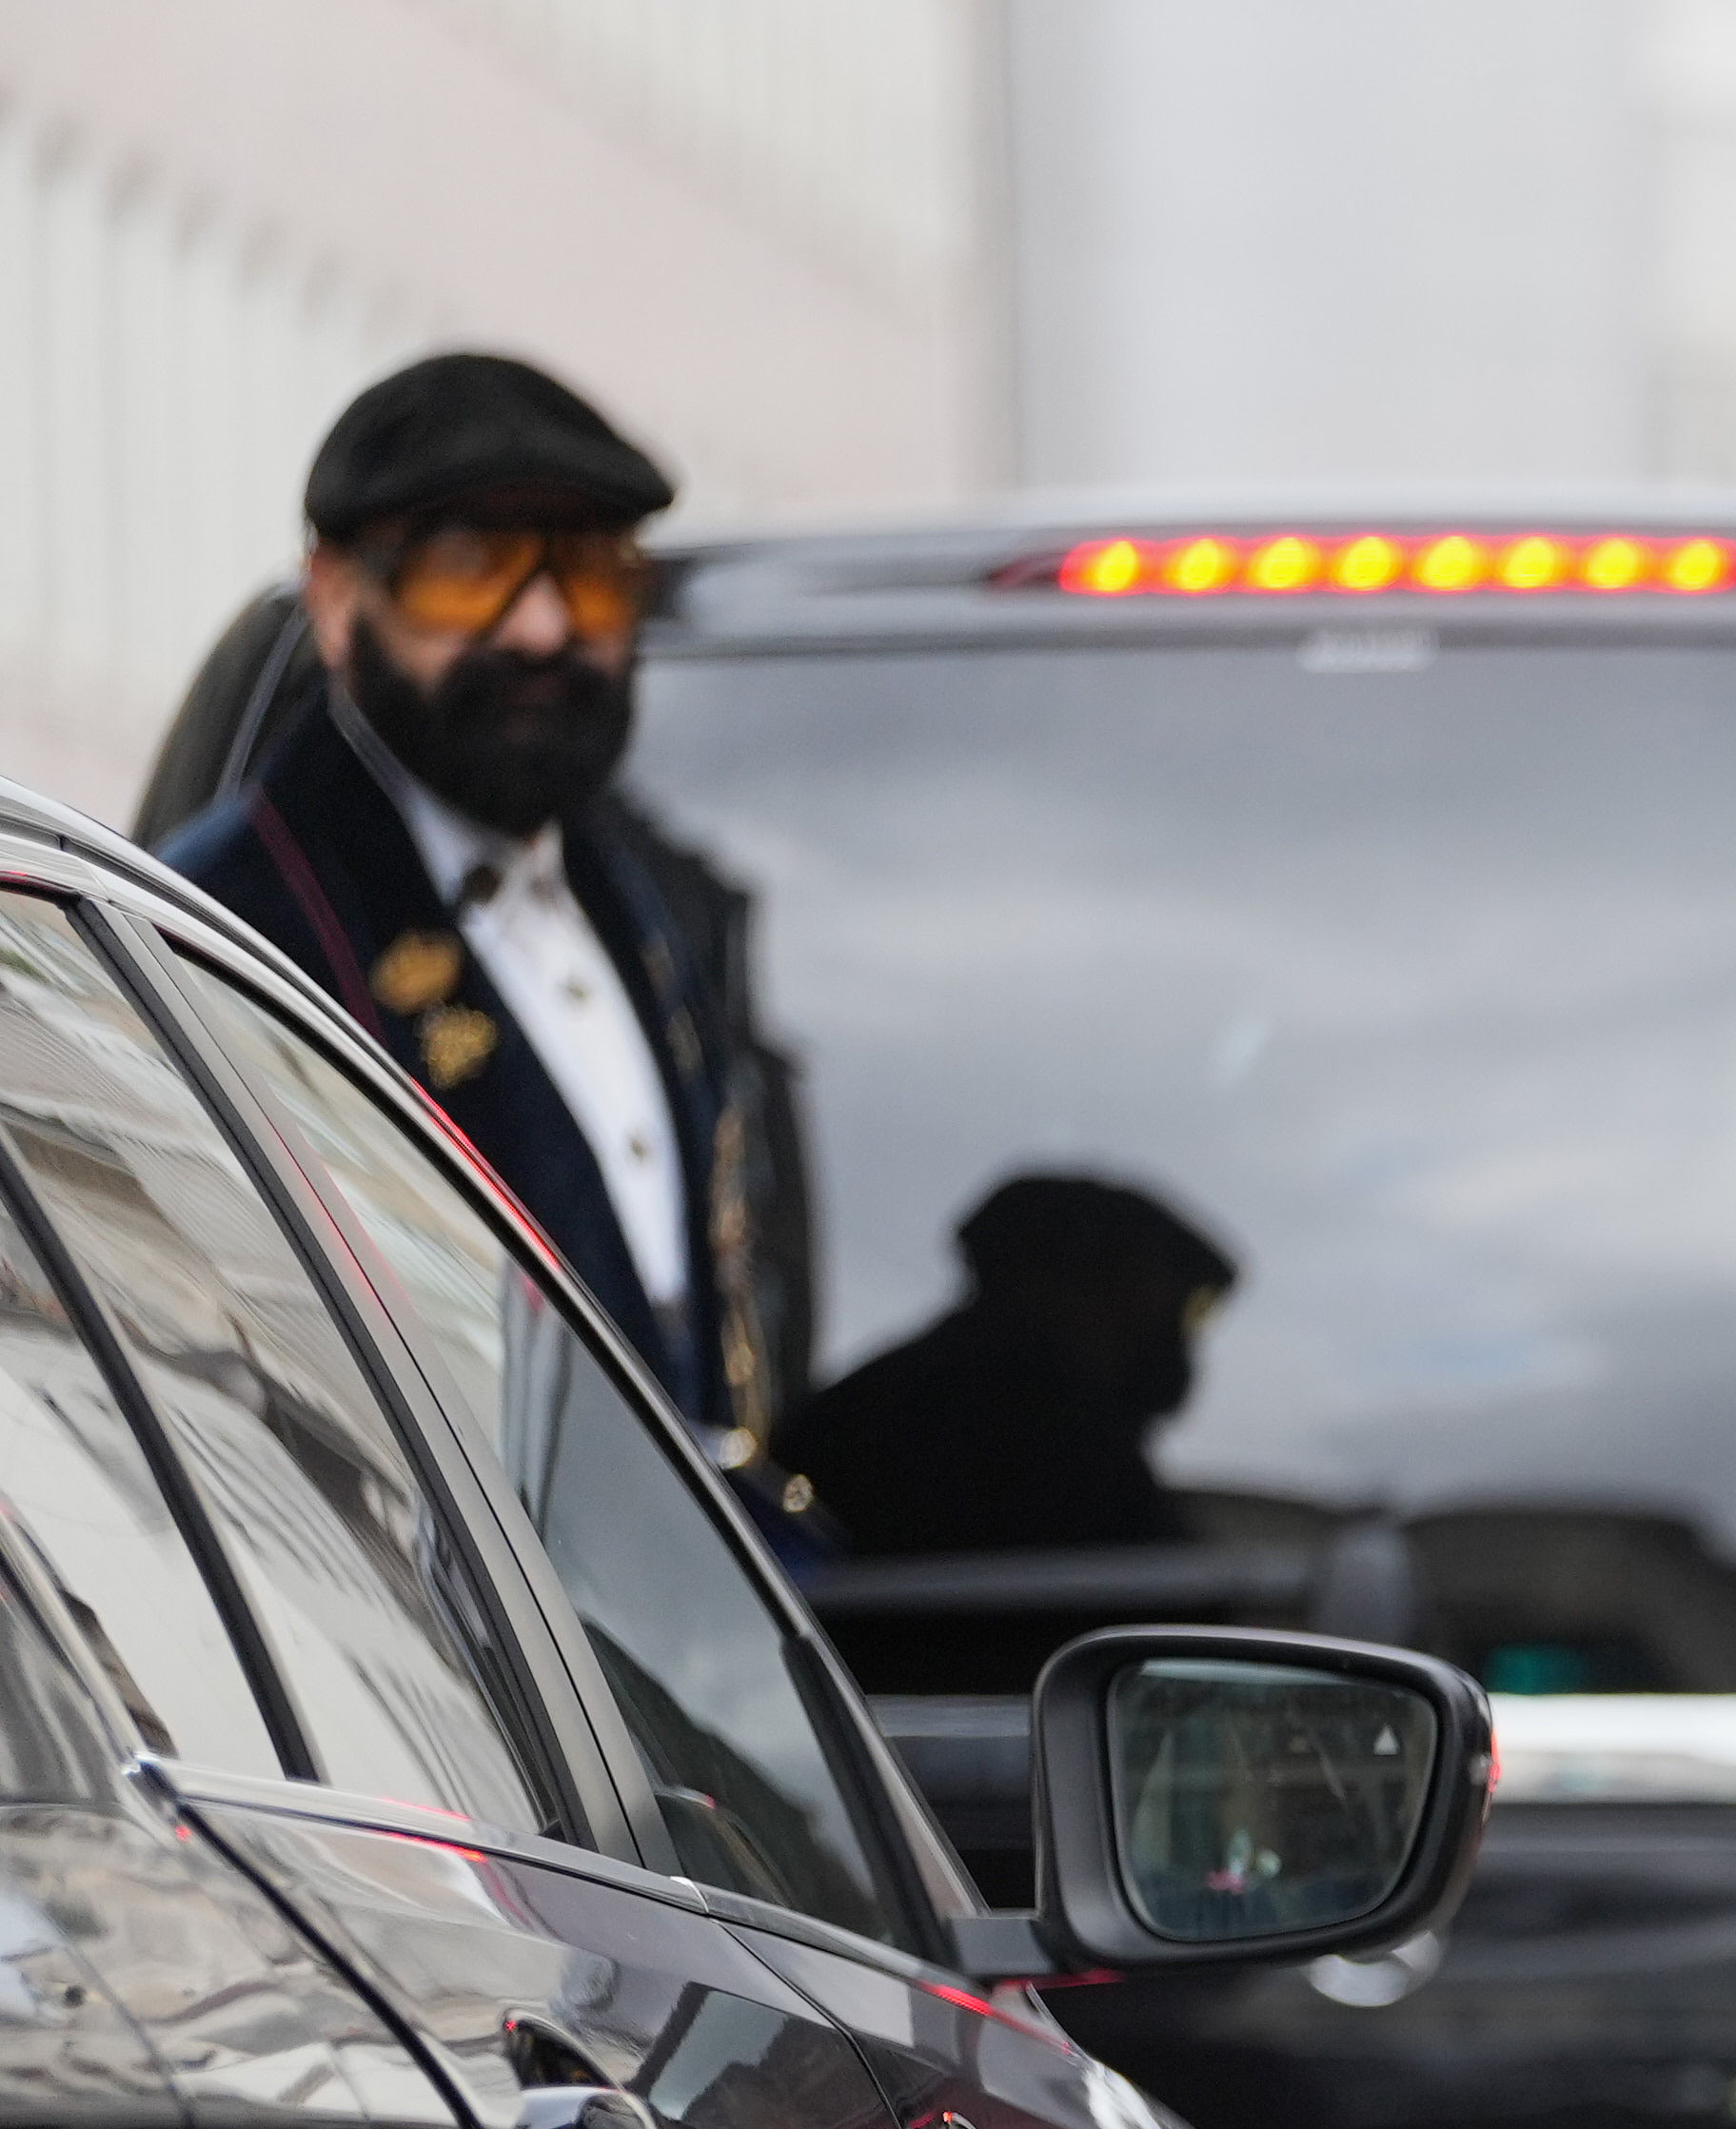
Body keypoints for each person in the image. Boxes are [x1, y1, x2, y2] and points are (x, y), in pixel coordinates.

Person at [156, 353, 814, 1481]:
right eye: (471, 569)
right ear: (334, 598)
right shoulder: (224, 929)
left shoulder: (649, 901)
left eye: (594, 571)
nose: (543, 629)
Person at [780, 1173, 1241, 1563]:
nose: (1180, 1334)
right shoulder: (1049, 1432)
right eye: (1171, 1301)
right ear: (1070, 1285)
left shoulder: (861, 1408)